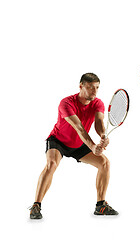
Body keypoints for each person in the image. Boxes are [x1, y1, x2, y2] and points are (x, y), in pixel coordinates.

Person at [30, 73, 118, 219]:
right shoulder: (66, 103)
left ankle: (100, 206)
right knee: (52, 164)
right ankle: (36, 206)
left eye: (97, 87)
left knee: (105, 163)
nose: (94, 91)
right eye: (90, 87)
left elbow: (99, 123)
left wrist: (102, 136)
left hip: (79, 143)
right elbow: (79, 128)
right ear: (81, 86)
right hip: (59, 140)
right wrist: (92, 146)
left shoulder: (98, 103)